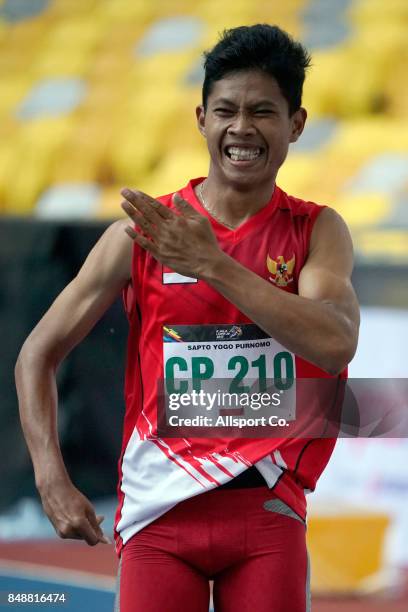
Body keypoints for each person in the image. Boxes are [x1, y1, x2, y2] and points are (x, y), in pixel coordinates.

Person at [15, 24, 360, 612]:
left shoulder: (316, 230)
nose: (242, 128)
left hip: (266, 512)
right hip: (160, 514)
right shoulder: (140, 234)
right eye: (225, 110)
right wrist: (51, 480)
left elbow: (336, 343)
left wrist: (213, 264)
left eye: (262, 112)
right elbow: (36, 355)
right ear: (201, 118)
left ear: (296, 124)